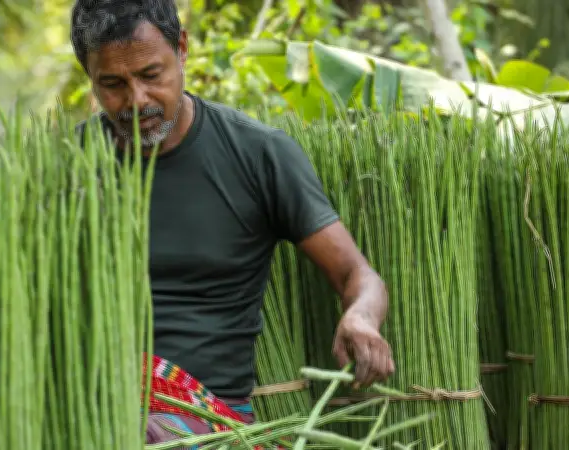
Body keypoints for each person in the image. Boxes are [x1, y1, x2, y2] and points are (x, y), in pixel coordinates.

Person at [69, 0, 395, 445]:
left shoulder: (258, 154)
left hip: (205, 419)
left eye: (150, 75)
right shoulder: (68, 166)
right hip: (86, 403)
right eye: (112, 84)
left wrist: (360, 318)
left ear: (181, 49)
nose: (136, 100)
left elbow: (357, 274)